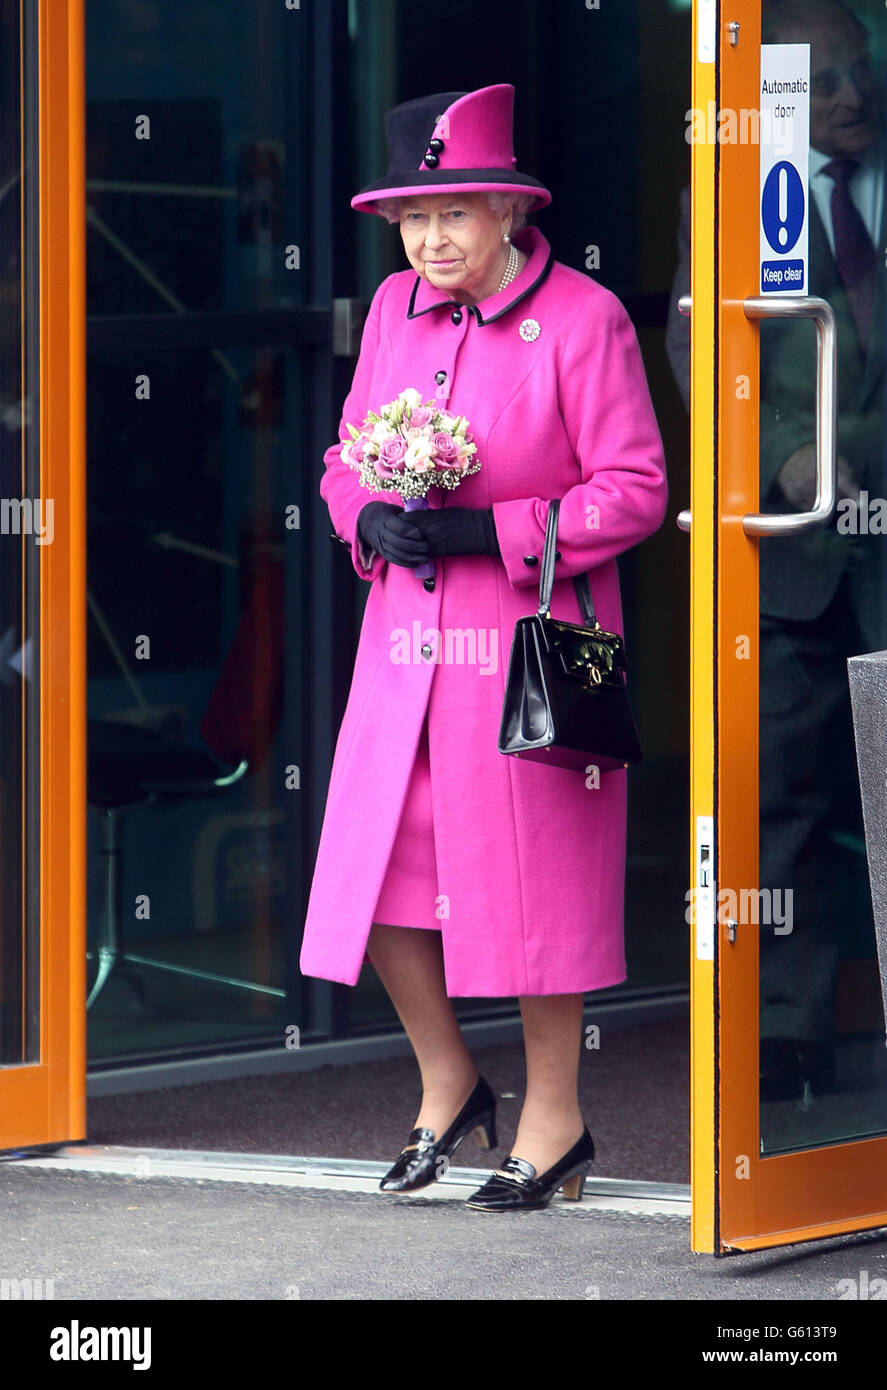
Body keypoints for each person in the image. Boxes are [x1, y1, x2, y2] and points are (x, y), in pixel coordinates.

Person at [300, 84, 667, 1211]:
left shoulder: (584, 317)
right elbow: (343, 457)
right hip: (403, 644)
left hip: (529, 647)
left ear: (510, 212)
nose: (431, 239)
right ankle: (447, 1079)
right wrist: (363, 513)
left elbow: (637, 489)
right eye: (414, 217)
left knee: (529, 887)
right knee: (377, 877)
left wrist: (492, 529)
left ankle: (553, 1119)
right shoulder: (391, 311)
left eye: (455, 213)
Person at [666, 0, 886, 1101]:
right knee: (779, 792)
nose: (851, 98)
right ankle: (786, 1035)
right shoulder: (739, 185)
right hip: (791, 540)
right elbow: (697, 334)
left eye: (862, 74)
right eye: (827, 81)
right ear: (779, 89)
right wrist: (789, 453)